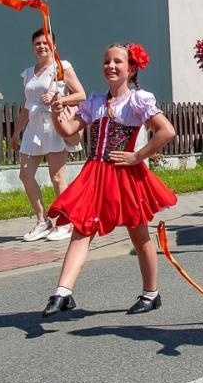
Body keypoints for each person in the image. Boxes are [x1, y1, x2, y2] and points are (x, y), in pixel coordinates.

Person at [41, 43, 178, 319]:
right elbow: (69, 131)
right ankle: (62, 292)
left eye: (117, 61)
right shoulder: (94, 101)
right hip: (95, 174)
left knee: (139, 235)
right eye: (106, 61)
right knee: (81, 230)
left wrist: (137, 156)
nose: (111, 66)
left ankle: (151, 293)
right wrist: (57, 112)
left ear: (131, 69)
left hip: (125, 175)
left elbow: (166, 131)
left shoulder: (138, 100)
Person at [12, 29, 85, 244]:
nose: (41, 46)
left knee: (56, 177)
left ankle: (66, 222)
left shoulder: (62, 68)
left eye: (45, 43)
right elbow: (26, 107)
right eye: (37, 43)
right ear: (32, 46)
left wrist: (59, 98)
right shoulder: (28, 73)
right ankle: (42, 220)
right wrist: (17, 131)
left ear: (54, 46)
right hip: (33, 129)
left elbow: (81, 94)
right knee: (25, 175)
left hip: (53, 125)